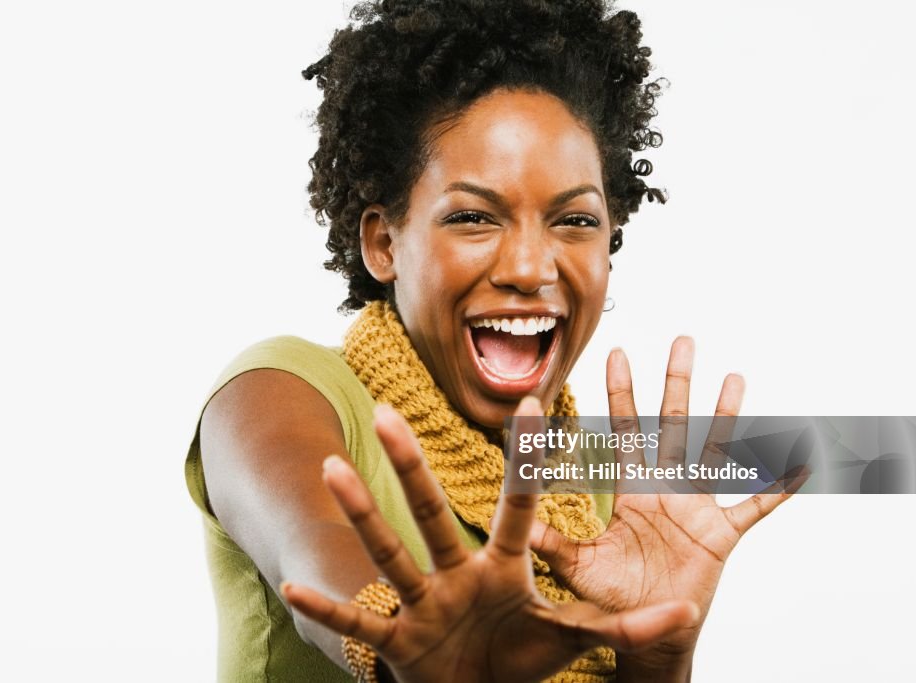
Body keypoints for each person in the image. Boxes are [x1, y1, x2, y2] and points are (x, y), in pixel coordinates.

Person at [184, 1, 796, 680]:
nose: (531, 268)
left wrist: (657, 651)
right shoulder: (279, 390)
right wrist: (410, 638)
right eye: (474, 217)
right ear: (384, 241)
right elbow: (310, 546)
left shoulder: (601, 483)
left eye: (574, 220)